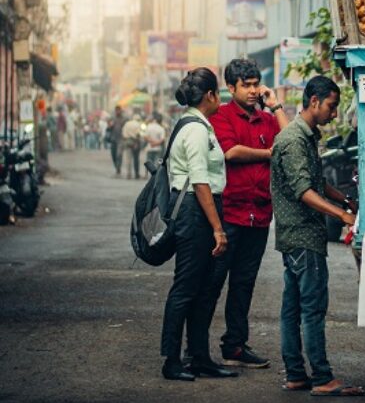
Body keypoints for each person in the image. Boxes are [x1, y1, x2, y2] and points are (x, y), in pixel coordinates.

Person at [270, 75, 363, 396]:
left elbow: (317, 182)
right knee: (311, 309)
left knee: (293, 308)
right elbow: (304, 191)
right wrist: (342, 215)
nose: (334, 114)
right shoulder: (294, 140)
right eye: (331, 106)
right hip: (303, 236)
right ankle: (322, 378)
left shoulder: (305, 136)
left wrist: (344, 199)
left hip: (297, 235)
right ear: (313, 102)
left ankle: (296, 374)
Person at [208, 58, 288, 369]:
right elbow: (231, 152)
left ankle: (235, 346)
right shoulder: (221, 116)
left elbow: (290, 142)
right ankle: (195, 350)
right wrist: (269, 154)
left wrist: (276, 105)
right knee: (212, 283)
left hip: (259, 215)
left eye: (256, 85)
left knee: (244, 284)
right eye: (247, 86)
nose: (254, 91)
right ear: (231, 88)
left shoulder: (267, 119)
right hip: (228, 214)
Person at [160, 67, 237, 383]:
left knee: (204, 288)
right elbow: (200, 181)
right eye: (219, 93)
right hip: (195, 211)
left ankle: (199, 357)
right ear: (210, 95)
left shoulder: (199, 125)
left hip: (201, 209)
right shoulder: (194, 129)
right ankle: (171, 361)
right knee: (186, 287)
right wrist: (218, 228)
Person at [121, 113, 142, 179]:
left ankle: (128, 174)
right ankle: (136, 174)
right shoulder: (137, 124)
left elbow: (123, 134)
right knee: (136, 159)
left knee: (128, 159)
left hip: (127, 141)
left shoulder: (127, 124)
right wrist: (137, 143)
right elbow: (138, 134)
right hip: (135, 141)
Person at [108, 106, 125, 176]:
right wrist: (110, 125)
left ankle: (118, 169)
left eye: (119, 110)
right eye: (116, 110)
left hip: (121, 139)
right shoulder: (112, 118)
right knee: (113, 155)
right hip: (113, 139)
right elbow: (108, 128)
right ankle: (116, 167)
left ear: (121, 111)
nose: (118, 112)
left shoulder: (124, 119)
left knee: (119, 155)